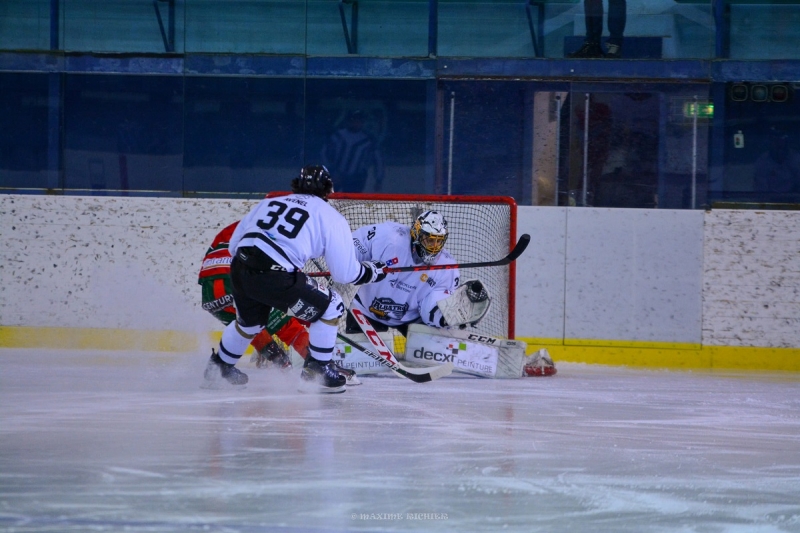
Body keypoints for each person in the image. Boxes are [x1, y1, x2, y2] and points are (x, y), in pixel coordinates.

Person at [202, 165, 387, 393]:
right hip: (275, 274)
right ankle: (317, 372)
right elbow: (345, 274)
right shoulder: (331, 216)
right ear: (328, 189)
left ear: (296, 184)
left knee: (249, 323)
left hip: (239, 268)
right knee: (332, 306)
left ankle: (218, 370)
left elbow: (233, 246)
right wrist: (372, 271)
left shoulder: (270, 202)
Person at [198, 221, 359, 384]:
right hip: (235, 278)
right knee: (288, 327)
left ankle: (216, 372)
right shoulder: (284, 230)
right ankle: (322, 369)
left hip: (210, 291)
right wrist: (315, 315)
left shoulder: (248, 225)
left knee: (248, 325)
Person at [344, 210, 489, 337]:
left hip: (412, 318)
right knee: (360, 362)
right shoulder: (389, 237)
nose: (434, 247)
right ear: (416, 234)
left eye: (438, 242)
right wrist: (347, 267)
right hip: (365, 309)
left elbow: (430, 309)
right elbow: (351, 247)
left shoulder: (447, 268)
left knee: (436, 355)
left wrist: (446, 315)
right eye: (430, 240)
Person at [320, 109, 384, 193]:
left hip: (356, 179)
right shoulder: (337, 136)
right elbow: (325, 154)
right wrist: (332, 172)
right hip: (335, 175)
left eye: (359, 120)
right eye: (354, 120)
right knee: (328, 200)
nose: (356, 123)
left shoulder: (368, 140)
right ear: (348, 121)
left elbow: (378, 160)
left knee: (351, 203)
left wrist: (378, 180)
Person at [753, 126, 800, 203]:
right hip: (771, 203)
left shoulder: (796, 159)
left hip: (794, 202)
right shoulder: (762, 161)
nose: (779, 142)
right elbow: (761, 189)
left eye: (781, 138)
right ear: (771, 141)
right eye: (775, 139)